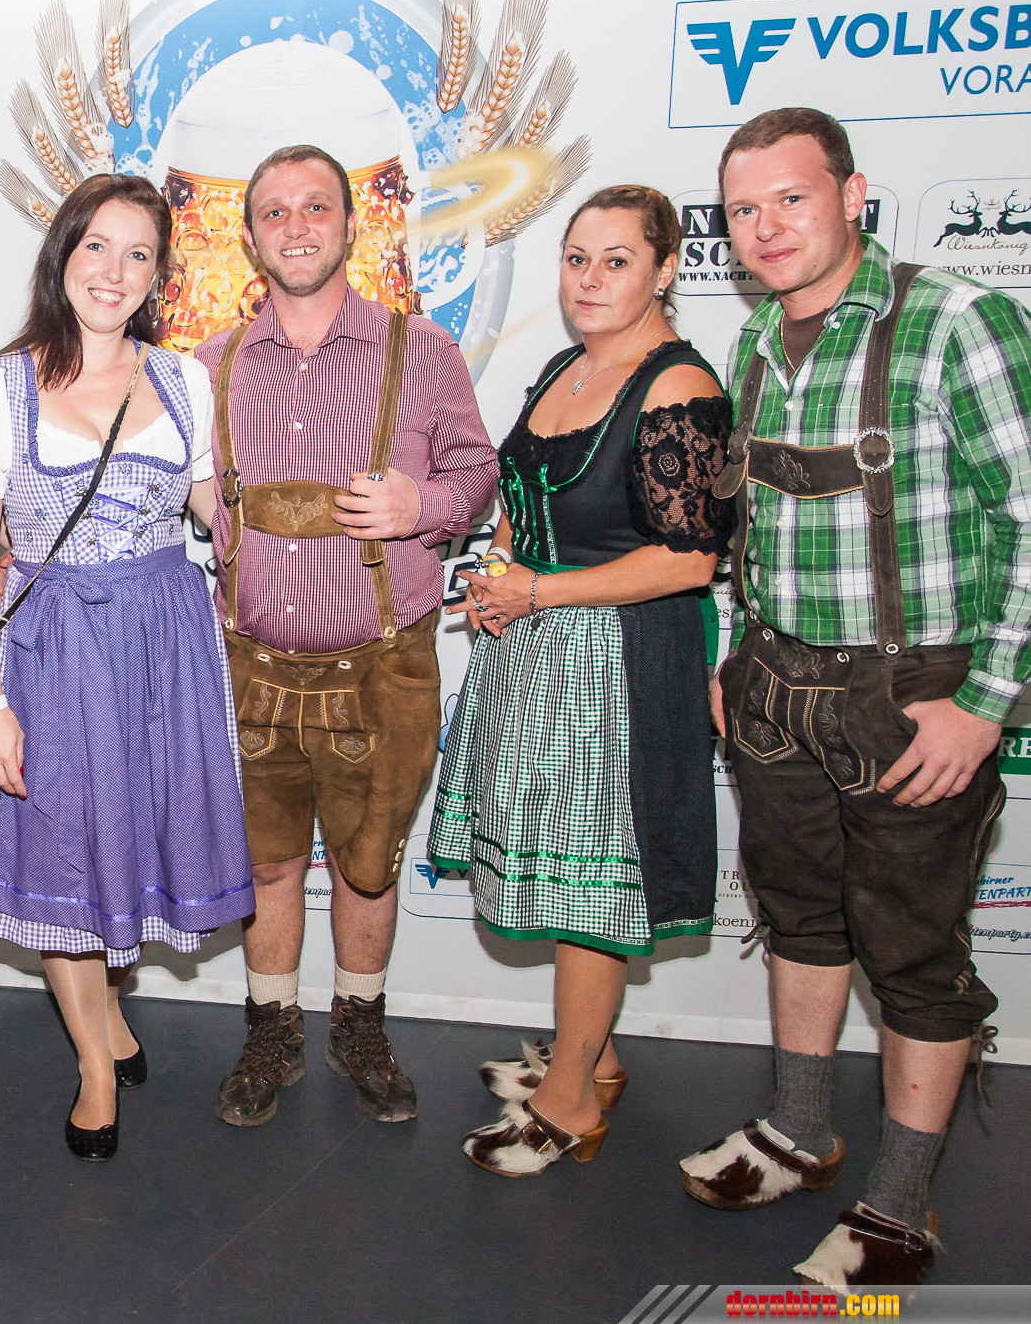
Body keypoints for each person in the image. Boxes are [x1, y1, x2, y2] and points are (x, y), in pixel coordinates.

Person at [680, 108, 1031, 1287]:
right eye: (744, 209)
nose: (767, 227)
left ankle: (901, 1200)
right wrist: (739, 650)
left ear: (853, 194)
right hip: (776, 688)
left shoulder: (955, 320)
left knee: (914, 950)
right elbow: (751, 524)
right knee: (800, 916)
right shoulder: (754, 341)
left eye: (791, 197)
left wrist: (986, 702)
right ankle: (797, 1130)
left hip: (913, 698)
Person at [0, 172, 254, 1163]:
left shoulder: (186, 380)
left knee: (134, 842)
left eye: (138, 254)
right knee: (65, 858)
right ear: (62, 256)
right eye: (96, 247)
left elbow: (220, 514)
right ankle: (92, 1061)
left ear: (159, 274)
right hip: (56, 652)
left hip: (165, 646)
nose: (114, 272)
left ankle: (112, 1015)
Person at [192, 145, 496, 1129]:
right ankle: (272, 1026)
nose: (296, 226)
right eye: (275, 211)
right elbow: (173, 478)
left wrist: (424, 505)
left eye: (315, 206)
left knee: (369, 863)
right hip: (249, 664)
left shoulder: (424, 350)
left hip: (382, 667)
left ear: (352, 224)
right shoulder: (210, 364)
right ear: (250, 235)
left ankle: (358, 1024)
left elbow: (477, 472)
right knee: (268, 863)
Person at [431, 186, 732, 1175]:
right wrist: (498, 575)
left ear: (665, 270)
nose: (590, 280)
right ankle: (590, 1056)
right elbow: (522, 503)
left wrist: (539, 589)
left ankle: (570, 1104)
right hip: (539, 649)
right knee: (558, 859)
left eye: (616, 260)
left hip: (620, 660)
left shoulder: (678, 386)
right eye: (576, 259)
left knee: (591, 878)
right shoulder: (569, 365)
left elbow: (689, 559)